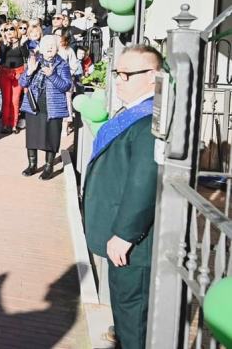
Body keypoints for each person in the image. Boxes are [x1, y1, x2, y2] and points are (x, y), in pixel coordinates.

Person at [83, 45, 161, 349]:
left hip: (131, 246)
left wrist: (125, 233)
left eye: (127, 74)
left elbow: (144, 180)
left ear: (152, 76)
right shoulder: (134, 112)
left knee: (134, 323)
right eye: (117, 73)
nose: (118, 80)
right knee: (125, 314)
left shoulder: (148, 120)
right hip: (120, 238)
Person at [19, 34, 72, 179]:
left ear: (57, 48)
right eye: (46, 45)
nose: (49, 48)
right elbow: (22, 83)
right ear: (40, 48)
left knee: (52, 137)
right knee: (32, 137)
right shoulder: (34, 62)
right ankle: (32, 165)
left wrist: (52, 75)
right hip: (34, 106)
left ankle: (49, 167)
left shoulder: (62, 65)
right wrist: (29, 71)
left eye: (52, 45)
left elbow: (67, 85)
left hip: (53, 107)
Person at [0, 23, 30, 134]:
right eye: (6, 29)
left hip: (18, 74)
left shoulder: (21, 42)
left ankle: (14, 125)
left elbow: (26, 55)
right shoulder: (2, 43)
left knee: (15, 101)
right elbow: (0, 56)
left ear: (16, 30)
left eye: (11, 28)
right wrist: (6, 44)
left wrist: (21, 44)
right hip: (5, 74)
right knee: (6, 100)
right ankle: (5, 124)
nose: (9, 31)